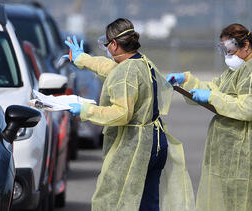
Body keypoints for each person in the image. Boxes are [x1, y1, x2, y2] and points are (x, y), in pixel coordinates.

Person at [64, 18, 194, 211]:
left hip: (137, 147)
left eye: (107, 45)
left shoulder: (126, 73)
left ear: (115, 44)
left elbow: (121, 113)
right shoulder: (142, 61)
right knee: (148, 203)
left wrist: (85, 110)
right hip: (156, 142)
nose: (106, 50)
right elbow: (111, 69)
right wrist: (83, 59)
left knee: (116, 200)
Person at [166, 23, 252, 211]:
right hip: (228, 153)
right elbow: (214, 88)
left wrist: (213, 98)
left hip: (244, 153)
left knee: (242, 201)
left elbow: (248, 106)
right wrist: (186, 81)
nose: (227, 55)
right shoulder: (237, 70)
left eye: (229, 49)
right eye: (224, 50)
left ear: (245, 45)